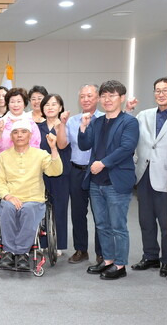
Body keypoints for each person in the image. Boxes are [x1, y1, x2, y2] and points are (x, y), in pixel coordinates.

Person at [79, 80, 139, 280]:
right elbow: (85, 145)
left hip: (116, 181)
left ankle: (120, 265)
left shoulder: (129, 122)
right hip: (97, 182)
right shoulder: (96, 121)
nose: (107, 100)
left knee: (118, 226)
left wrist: (103, 163)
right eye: (104, 96)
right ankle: (107, 260)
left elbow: (126, 148)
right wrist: (83, 127)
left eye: (112, 96)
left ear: (121, 98)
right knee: (101, 224)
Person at [131, 77, 167, 277]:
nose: (161, 94)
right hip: (144, 174)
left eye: (165, 90)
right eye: (157, 90)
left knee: (166, 222)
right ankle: (150, 256)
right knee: (145, 220)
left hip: (166, 176)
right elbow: (130, 134)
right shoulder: (143, 115)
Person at [0, 120, 62, 270]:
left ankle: (22, 253)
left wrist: (53, 148)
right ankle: (9, 251)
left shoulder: (41, 154)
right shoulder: (3, 156)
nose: (19, 136)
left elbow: (55, 171)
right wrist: (8, 196)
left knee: (29, 210)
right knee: (7, 208)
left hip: (33, 198)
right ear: (11, 136)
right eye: (16, 133)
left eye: (24, 132)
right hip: (11, 197)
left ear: (30, 135)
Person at [60, 84, 104, 264]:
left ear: (98, 98)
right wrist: (62, 124)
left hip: (98, 172)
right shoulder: (72, 121)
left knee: (100, 213)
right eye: (82, 96)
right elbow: (63, 145)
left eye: (90, 96)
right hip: (77, 171)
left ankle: (102, 252)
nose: (86, 99)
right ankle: (81, 249)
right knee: (78, 213)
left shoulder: (105, 119)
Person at [38, 94, 71, 256]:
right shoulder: (38, 127)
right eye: (47, 105)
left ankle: (59, 243)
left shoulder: (66, 125)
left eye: (54, 104)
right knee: (41, 207)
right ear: (42, 108)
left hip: (61, 173)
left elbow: (63, 145)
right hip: (41, 173)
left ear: (60, 108)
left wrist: (61, 126)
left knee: (60, 208)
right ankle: (43, 241)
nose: (50, 107)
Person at [0, 88, 41, 153]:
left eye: (19, 101)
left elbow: (36, 147)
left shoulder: (31, 123)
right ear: (8, 104)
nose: (15, 105)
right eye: (12, 102)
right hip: (5, 161)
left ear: (24, 104)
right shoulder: (1, 122)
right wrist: (0, 133)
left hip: (26, 161)